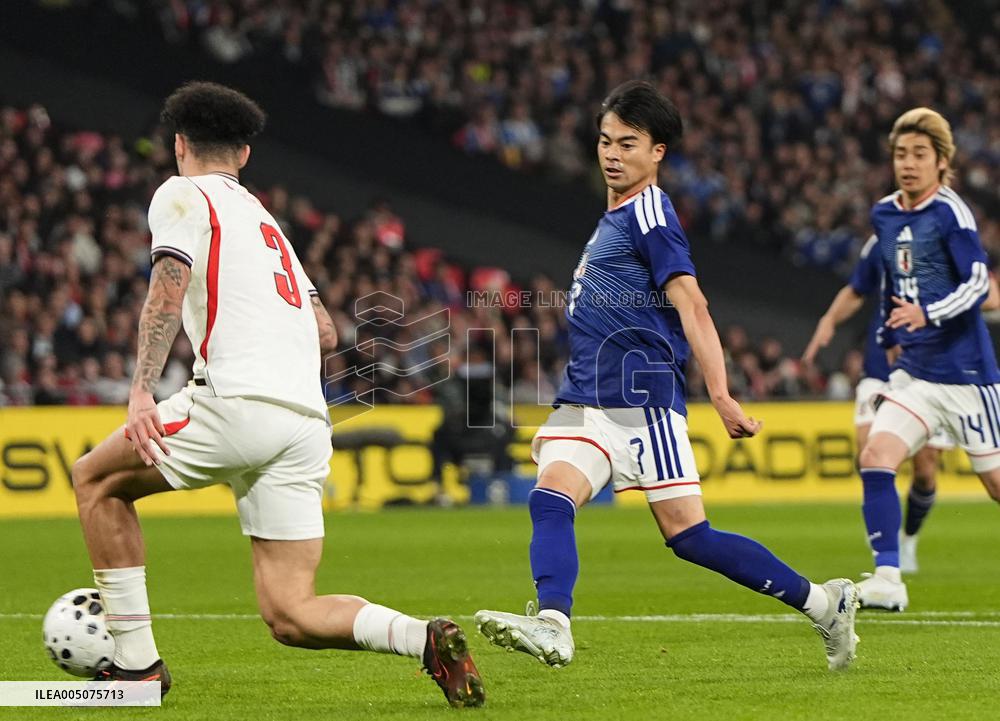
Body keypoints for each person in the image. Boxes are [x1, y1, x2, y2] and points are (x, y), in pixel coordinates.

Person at [70, 81, 484, 708]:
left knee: (95, 481)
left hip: (238, 402)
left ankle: (136, 669)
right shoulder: (268, 222)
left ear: (180, 145)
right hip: (305, 421)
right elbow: (322, 328)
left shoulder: (181, 192)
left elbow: (168, 285)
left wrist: (141, 392)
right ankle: (423, 637)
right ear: (244, 155)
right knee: (291, 612)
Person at [474, 80, 859, 671]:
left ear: (657, 152)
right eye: (605, 140)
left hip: (642, 404)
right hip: (587, 400)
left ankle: (823, 604)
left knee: (690, 538)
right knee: (550, 498)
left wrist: (722, 395)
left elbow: (693, 305)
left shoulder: (649, 213)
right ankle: (553, 624)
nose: (611, 153)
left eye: (628, 143)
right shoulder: (611, 220)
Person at [855, 107, 1000, 612]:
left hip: (967, 378)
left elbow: (980, 284)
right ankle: (889, 579)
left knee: (996, 485)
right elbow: (893, 283)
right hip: (915, 375)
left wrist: (928, 313)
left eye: (920, 154)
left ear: (942, 162)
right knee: (875, 457)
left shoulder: (952, 212)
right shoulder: (884, 214)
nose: (908, 164)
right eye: (901, 154)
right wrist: (888, 330)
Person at [802, 240, 999, 573]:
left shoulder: (950, 236)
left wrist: (938, 310)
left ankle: (908, 540)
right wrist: (829, 321)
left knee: (925, 470)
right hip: (883, 367)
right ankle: (887, 562)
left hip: (937, 372)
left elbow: (990, 297)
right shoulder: (881, 240)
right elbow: (856, 288)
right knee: (870, 452)